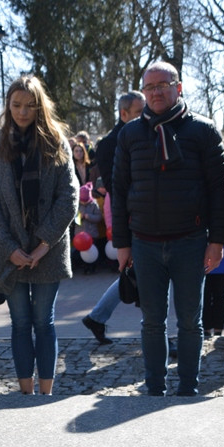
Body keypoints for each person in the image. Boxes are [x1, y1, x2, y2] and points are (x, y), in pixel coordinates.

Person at [113, 60, 224, 396]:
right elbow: (119, 192)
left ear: (178, 87)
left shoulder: (203, 131)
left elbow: (220, 191)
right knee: (151, 322)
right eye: (149, 87)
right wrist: (122, 243)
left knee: (190, 322)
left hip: (191, 242)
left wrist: (217, 241)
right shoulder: (130, 134)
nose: (156, 92)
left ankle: (188, 388)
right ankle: (154, 388)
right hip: (144, 244)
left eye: (163, 85)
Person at [0, 75, 78, 395]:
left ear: (40, 106)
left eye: (30, 105)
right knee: (20, 323)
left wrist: (42, 245)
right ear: (8, 105)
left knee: (43, 322)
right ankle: (25, 392)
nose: (23, 112)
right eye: (17, 105)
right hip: (9, 252)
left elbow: (69, 196)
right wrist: (10, 249)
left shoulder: (55, 142)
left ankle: (46, 393)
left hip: (47, 249)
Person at [81, 91, 146, 345]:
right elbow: (114, 187)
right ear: (124, 113)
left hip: (145, 216)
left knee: (136, 275)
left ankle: (97, 317)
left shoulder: (149, 132)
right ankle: (154, 334)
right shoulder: (109, 143)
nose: (145, 115)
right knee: (141, 275)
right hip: (128, 217)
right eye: (140, 112)